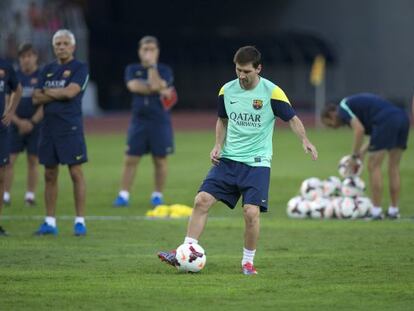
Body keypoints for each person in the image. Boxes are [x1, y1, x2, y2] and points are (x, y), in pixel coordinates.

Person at [158, 46, 318, 275]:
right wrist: (217, 145)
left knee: (251, 213)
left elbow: (292, 118)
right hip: (229, 160)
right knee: (201, 200)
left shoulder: (271, 92)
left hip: (257, 163)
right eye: (237, 70)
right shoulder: (227, 90)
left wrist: (305, 140)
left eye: (246, 71)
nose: (241, 75)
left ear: (258, 68)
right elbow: (222, 120)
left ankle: (247, 263)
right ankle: (186, 250)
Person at [32, 29, 89, 236]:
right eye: (58, 43)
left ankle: (80, 221)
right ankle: (50, 222)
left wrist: (47, 92)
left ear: (73, 47)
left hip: (70, 127)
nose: (61, 47)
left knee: (75, 172)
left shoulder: (80, 67)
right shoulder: (46, 69)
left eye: (65, 43)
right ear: (53, 47)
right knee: (49, 174)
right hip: (48, 128)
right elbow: (35, 99)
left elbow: (71, 92)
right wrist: (57, 94)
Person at [321, 93, 410, 219]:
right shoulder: (356, 107)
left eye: (330, 124)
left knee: (373, 166)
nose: (333, 128)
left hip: (386, 122)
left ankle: (376, 212)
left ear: (331, 114)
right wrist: (360, 152)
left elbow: (359, 130)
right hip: (402, 118)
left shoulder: (343, 107)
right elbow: (375, 134)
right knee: (393, 167)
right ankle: (393, 210)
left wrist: (353, 157)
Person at [113, 36, 177, 208]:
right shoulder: (132, 69)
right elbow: (134, 87)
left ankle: (157, 195)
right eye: (145, 49)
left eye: (152, 49)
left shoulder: (164, 70)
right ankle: (123, 194)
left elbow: (157, 85)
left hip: (160, 120)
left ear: (157, 51)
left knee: (160, 159)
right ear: (139, 51)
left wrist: (152, 69)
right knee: (130, 158)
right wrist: (158, 88)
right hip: (138, 121)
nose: (148, 53)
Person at [4, 43, 43, 207]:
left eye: (29, 56)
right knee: (9, 161)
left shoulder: (42, 75)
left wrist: (32, 121)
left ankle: (30, 195)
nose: (26, 60)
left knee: (33, 160)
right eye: (23, 57)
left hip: (36, 125)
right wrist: (18, 121)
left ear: (35, 57)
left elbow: (45, 103)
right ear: (19, 59)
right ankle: (5, 194)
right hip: (14, 124)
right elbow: (5, 102)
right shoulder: (12, 75)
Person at [0, 57, 22, 236]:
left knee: (0, 177)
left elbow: (17, 88)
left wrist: (10, 111)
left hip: (1, 131)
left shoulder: (6, 66)